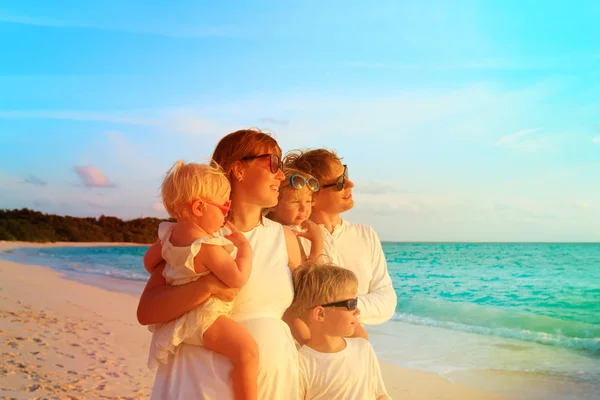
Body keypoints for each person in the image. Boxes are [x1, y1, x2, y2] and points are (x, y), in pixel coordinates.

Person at [137, 129, 302, 400]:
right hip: (202, 387)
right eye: (273, 163)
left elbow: (301, 315)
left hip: (276, 384)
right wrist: (209, 285)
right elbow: (147, 312)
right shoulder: (194, 235)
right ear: (238, 169)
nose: (281, 175)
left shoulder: (284, 237)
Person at [143, 160, 257, 400]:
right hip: (205, 318)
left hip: (177, 319)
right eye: (224, 207)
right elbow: (237, 279)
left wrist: (172, 266)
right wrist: (245, 249)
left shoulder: (168, 234)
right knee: (247, 352)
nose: (226, 213)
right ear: (198, 208)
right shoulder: (207, 247)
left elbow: (148, 262)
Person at [284, 149, 397, 326]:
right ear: (311, 193)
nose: (350, 184)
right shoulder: (292, 237)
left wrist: (336, 308)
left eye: (346, 175)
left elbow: (388, 301)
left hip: (358, 347)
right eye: (339, 182)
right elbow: (299, 305)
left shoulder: (366, 234)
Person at [290, 261, 391, 400]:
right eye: (351, 304)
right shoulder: (301, 363)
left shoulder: (363, 348)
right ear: (320, 314)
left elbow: (380, 395)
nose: (358, 311)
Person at [266, 166, 324, 261]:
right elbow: (307, 274)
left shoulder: (309, 230)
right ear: (273, 205)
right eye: (295, 202)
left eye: (308, 201)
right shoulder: (280, 236)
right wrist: (317, 243)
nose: (304, 208)